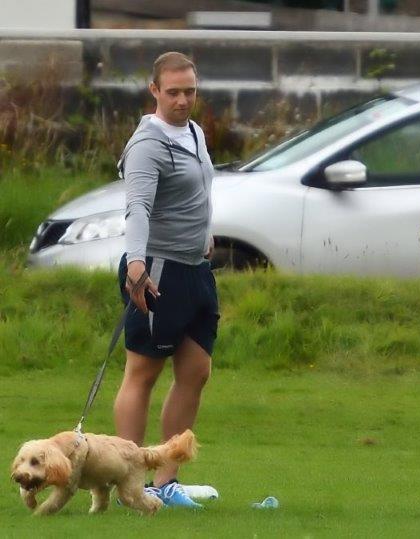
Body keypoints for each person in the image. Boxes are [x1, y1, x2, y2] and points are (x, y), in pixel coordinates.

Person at [113, 51, 218, 509]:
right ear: (154, 91)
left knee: (196, 371)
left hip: (196, 269)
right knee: (142, 374)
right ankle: (129, 482)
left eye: (189, 91)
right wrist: (136, 262)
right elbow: (138, 206)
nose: (182, 100)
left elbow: (198, 189)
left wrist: (205, 232)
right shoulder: (148, 143)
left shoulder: (193, 132)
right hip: (156, 270)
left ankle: (166, 481)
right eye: (173, 91)